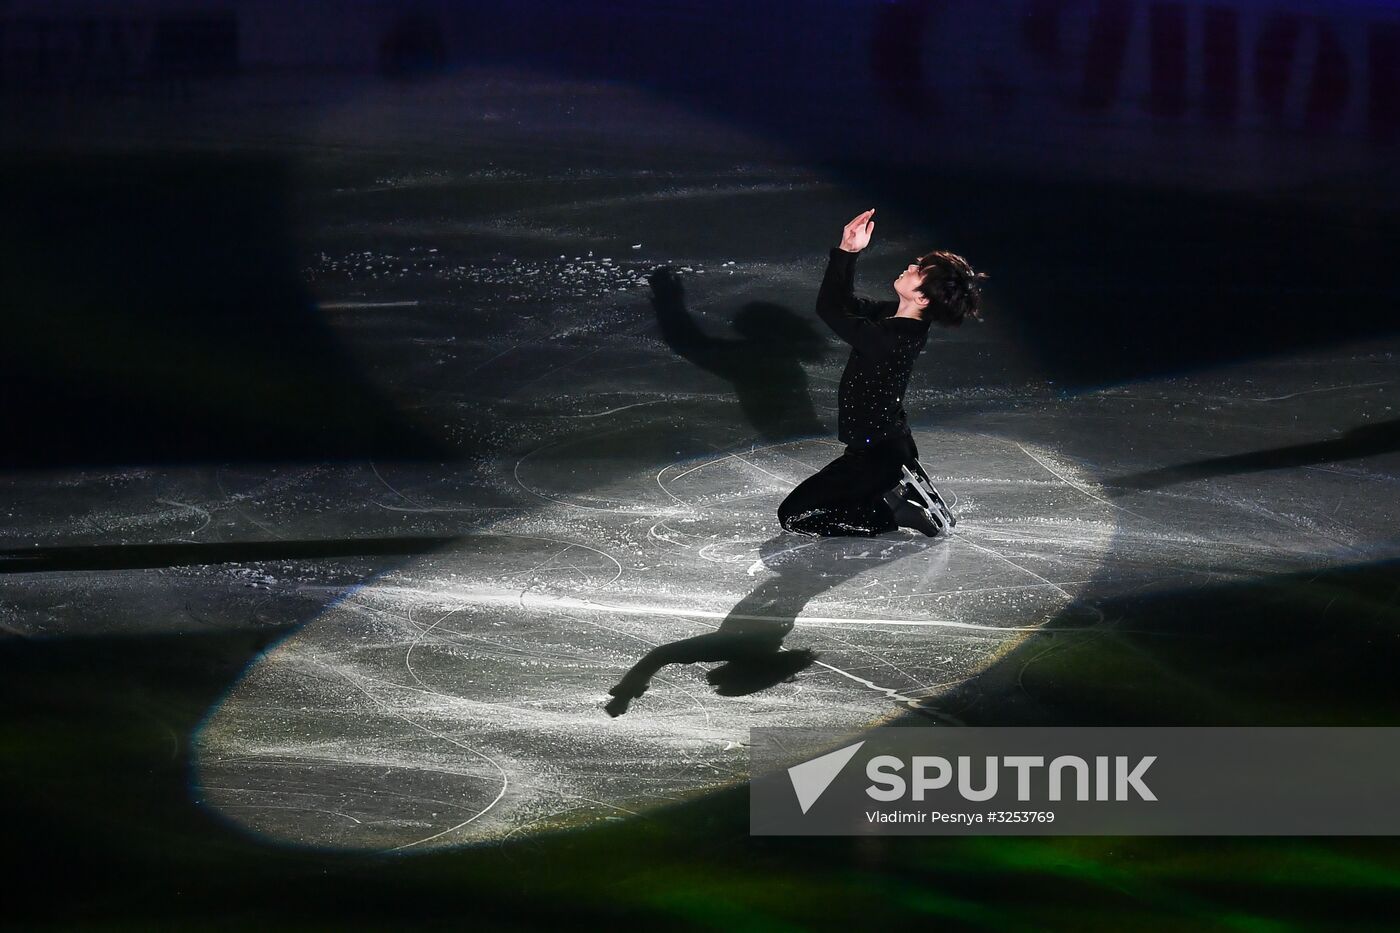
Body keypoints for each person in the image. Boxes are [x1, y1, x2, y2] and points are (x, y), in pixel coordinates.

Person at [777, 209, 986, 537]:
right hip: (883, 450)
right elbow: (843, 303)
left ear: (920, 296)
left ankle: (892, 510)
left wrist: (847, 254)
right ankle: (892, 493)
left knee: (793, 515)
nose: (910, 266)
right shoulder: (896, 319)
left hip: (876, 458)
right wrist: (849, 249)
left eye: (919, 270)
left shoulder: (889, 340)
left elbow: (830, 310)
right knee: (813, 506)